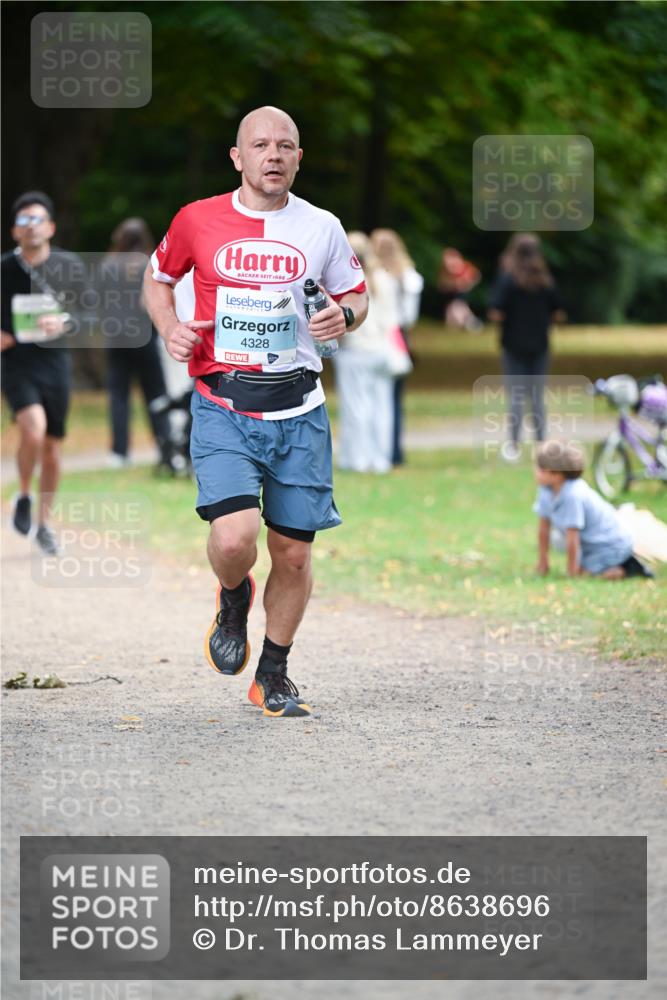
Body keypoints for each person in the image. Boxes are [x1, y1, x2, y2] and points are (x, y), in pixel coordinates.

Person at [143, 106, 368, 718]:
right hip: (224, 402)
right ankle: (233, 593)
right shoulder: (197, 219)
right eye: (261, 145)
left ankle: (272, 673)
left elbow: (356, 294)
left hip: (300, 407)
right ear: (237, 157)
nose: (274, 154)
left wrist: (343, 317)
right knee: (236, 536)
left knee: (294, 552)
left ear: (299, 158)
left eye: (286, 146)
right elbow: (157, 278)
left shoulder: (322, 226)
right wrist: (169, 329)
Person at [0, 191, 79, 554]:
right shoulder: (4, 269)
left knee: (51, 447)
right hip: (16, 362)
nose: (30, 227)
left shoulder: (70, 267)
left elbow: (90, 314)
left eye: (37, 220)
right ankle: (24, 495)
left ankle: (44, 523)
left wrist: (63, 320)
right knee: (33, 428)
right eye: (23, 221)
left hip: (55, 363)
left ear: (50, 227)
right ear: (15, 231)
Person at [97, 218, 173, 468]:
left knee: (119, 396)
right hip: (144, 339)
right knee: (156, 394)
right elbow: (149, 304)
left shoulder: (107, 266)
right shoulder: (148, 265)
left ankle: (119, 452)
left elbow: (98, 303)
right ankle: (164, 445)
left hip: (116, 339)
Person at [488, 234, 566, 462]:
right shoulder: (545, 280)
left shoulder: (507, 279)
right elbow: (558, 312)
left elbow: (495, 311)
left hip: (513, 345)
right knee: (537, 396)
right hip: (540, 345)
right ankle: (542, 442)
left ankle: (513, 445)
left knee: (516, 395)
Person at [534, 441, 653, 579]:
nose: (535, 472)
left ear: (557, 475)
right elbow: (544, 527)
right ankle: (596, 564)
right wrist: (543, 562)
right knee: (557, 539)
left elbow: (573, 536)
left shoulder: (573, 495)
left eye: (541, 469)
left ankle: (628, 568)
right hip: (591, 544)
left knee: (586, 575)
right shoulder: (546, 489)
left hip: (611, 545)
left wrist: (572, 572)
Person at [333, 232, 399, 474]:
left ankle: (357, 458)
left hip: (355, 351)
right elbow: (393, 319)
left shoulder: (346, 280)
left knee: (355, 407)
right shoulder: (384, 278)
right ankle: (380, 459)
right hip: (382, 349)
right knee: (382, 406)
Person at [370, 228, 423, 465]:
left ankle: (377, 449)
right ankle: (394, 451)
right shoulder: (409, 276)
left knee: (373, 398)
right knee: (394, 398)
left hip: (374, 338)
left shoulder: (372, 276)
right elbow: (410, 317)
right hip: (398, 337)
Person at [437, 247, 482, 332]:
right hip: (450, 295)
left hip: (460, 294)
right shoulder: (445, 271)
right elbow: (442, 286)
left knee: (457, 310)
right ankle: (469, 324)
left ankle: (472, 324)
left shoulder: (464, 267)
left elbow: (476, 276)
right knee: (453, 313)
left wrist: (467, 285)